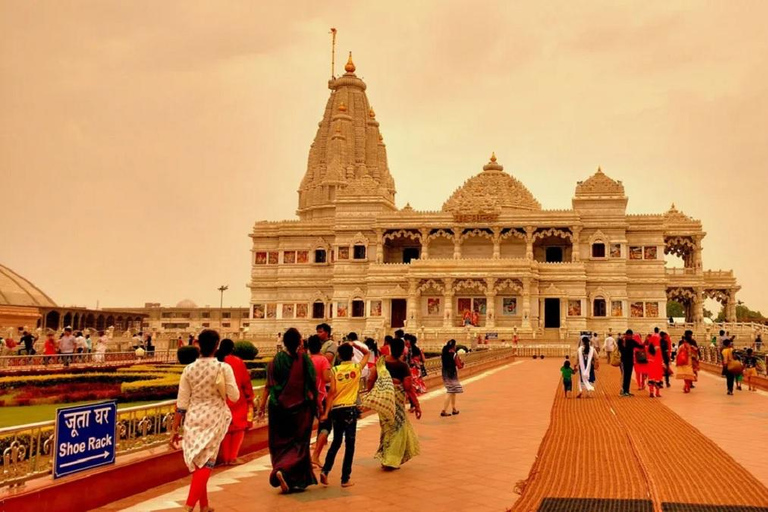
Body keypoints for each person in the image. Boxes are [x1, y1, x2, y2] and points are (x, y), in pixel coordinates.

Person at [169, 329, 239, 512]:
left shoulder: (189, 369)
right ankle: (189, 506)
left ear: (198, 344)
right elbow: (235, 396)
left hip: (193, 417)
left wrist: (174, 429)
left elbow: (182, 403)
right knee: (206, 463)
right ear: (217, 346)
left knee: (199, 461)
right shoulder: (223, 368)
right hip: (214, 417)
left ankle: (204, 505)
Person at [257, 327, 317, 494]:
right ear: (299, 342)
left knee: (279, 443)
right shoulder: (304, 360)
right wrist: (319, 406)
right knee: (299, 444)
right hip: (300, 409)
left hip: (278, 408)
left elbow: (268, 387)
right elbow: (312, 383)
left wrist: (261, 407)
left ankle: (282, 470)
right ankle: (288, 473)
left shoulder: (274, 361)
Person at [319, 341, 370, 487]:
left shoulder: (334, 371)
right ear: (353, 355)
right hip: (350, 409)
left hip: (336, 409)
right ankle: (345, 478)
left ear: (339, 356)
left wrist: (326, 412)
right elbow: (367, 353)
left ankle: (326, 470)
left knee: (336, 441)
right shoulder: (356, 367)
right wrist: (355, 344)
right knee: (350, 444)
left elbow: (331, 392)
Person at [366, 336, 421, 469]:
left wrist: (373, 393)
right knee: (398, 429)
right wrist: (417, 405)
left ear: (390, 348)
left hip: (384, 402)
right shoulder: (403, 366)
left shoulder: (381, 362)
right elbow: (408, 388)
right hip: (396, 402)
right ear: (403, 351)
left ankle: (386, 457)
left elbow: (371, 379)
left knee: (386, 429)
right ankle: (390, 460)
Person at [215, 338, 255, 465]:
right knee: (238, 428)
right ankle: (233, 457)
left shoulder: (217, 362)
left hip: (221, 400)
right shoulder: (238, 362)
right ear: (233, 349)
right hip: (238, 400)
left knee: (226, 429)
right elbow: (245, 382)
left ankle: (226, 458)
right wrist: (250, 397)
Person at [308, 335, 332, 469]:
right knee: (326, 426)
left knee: (306, 428)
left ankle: (304, 458)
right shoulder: (322, 360)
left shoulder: (305, 360)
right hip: (320, 397)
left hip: (306, 398)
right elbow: (326, 378)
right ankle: (315, 456)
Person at [440, 339, 464, 416]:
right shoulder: (454, 355)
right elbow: (459, 366)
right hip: (452, 374)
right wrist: (462, 363)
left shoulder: (444, 354)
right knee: (450, 391)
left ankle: (454, 408)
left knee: (453, 391)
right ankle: (443, 410)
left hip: (445, 373)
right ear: (453, 346)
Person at [618, 330, 643, 396]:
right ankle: (623, 390)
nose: (629, 336)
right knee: (624, 376)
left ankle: (627, 391)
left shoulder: (632, 341)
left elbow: (640, 346)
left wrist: (646, 342)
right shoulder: (622, 341)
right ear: (626, 335)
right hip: (623, 361)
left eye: (630, 335)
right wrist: (621, 339)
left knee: (628, 376)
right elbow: (620, 348)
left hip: (630, 362)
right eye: (628, 335)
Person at [646, 331, 664, 398]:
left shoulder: (649, 348)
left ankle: (651, 392)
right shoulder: (658, 348)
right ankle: (657, 393)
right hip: (657, 366)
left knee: (651, 378)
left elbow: (648, 357)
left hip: (651, 365)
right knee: (658, 379)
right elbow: (660, 358)